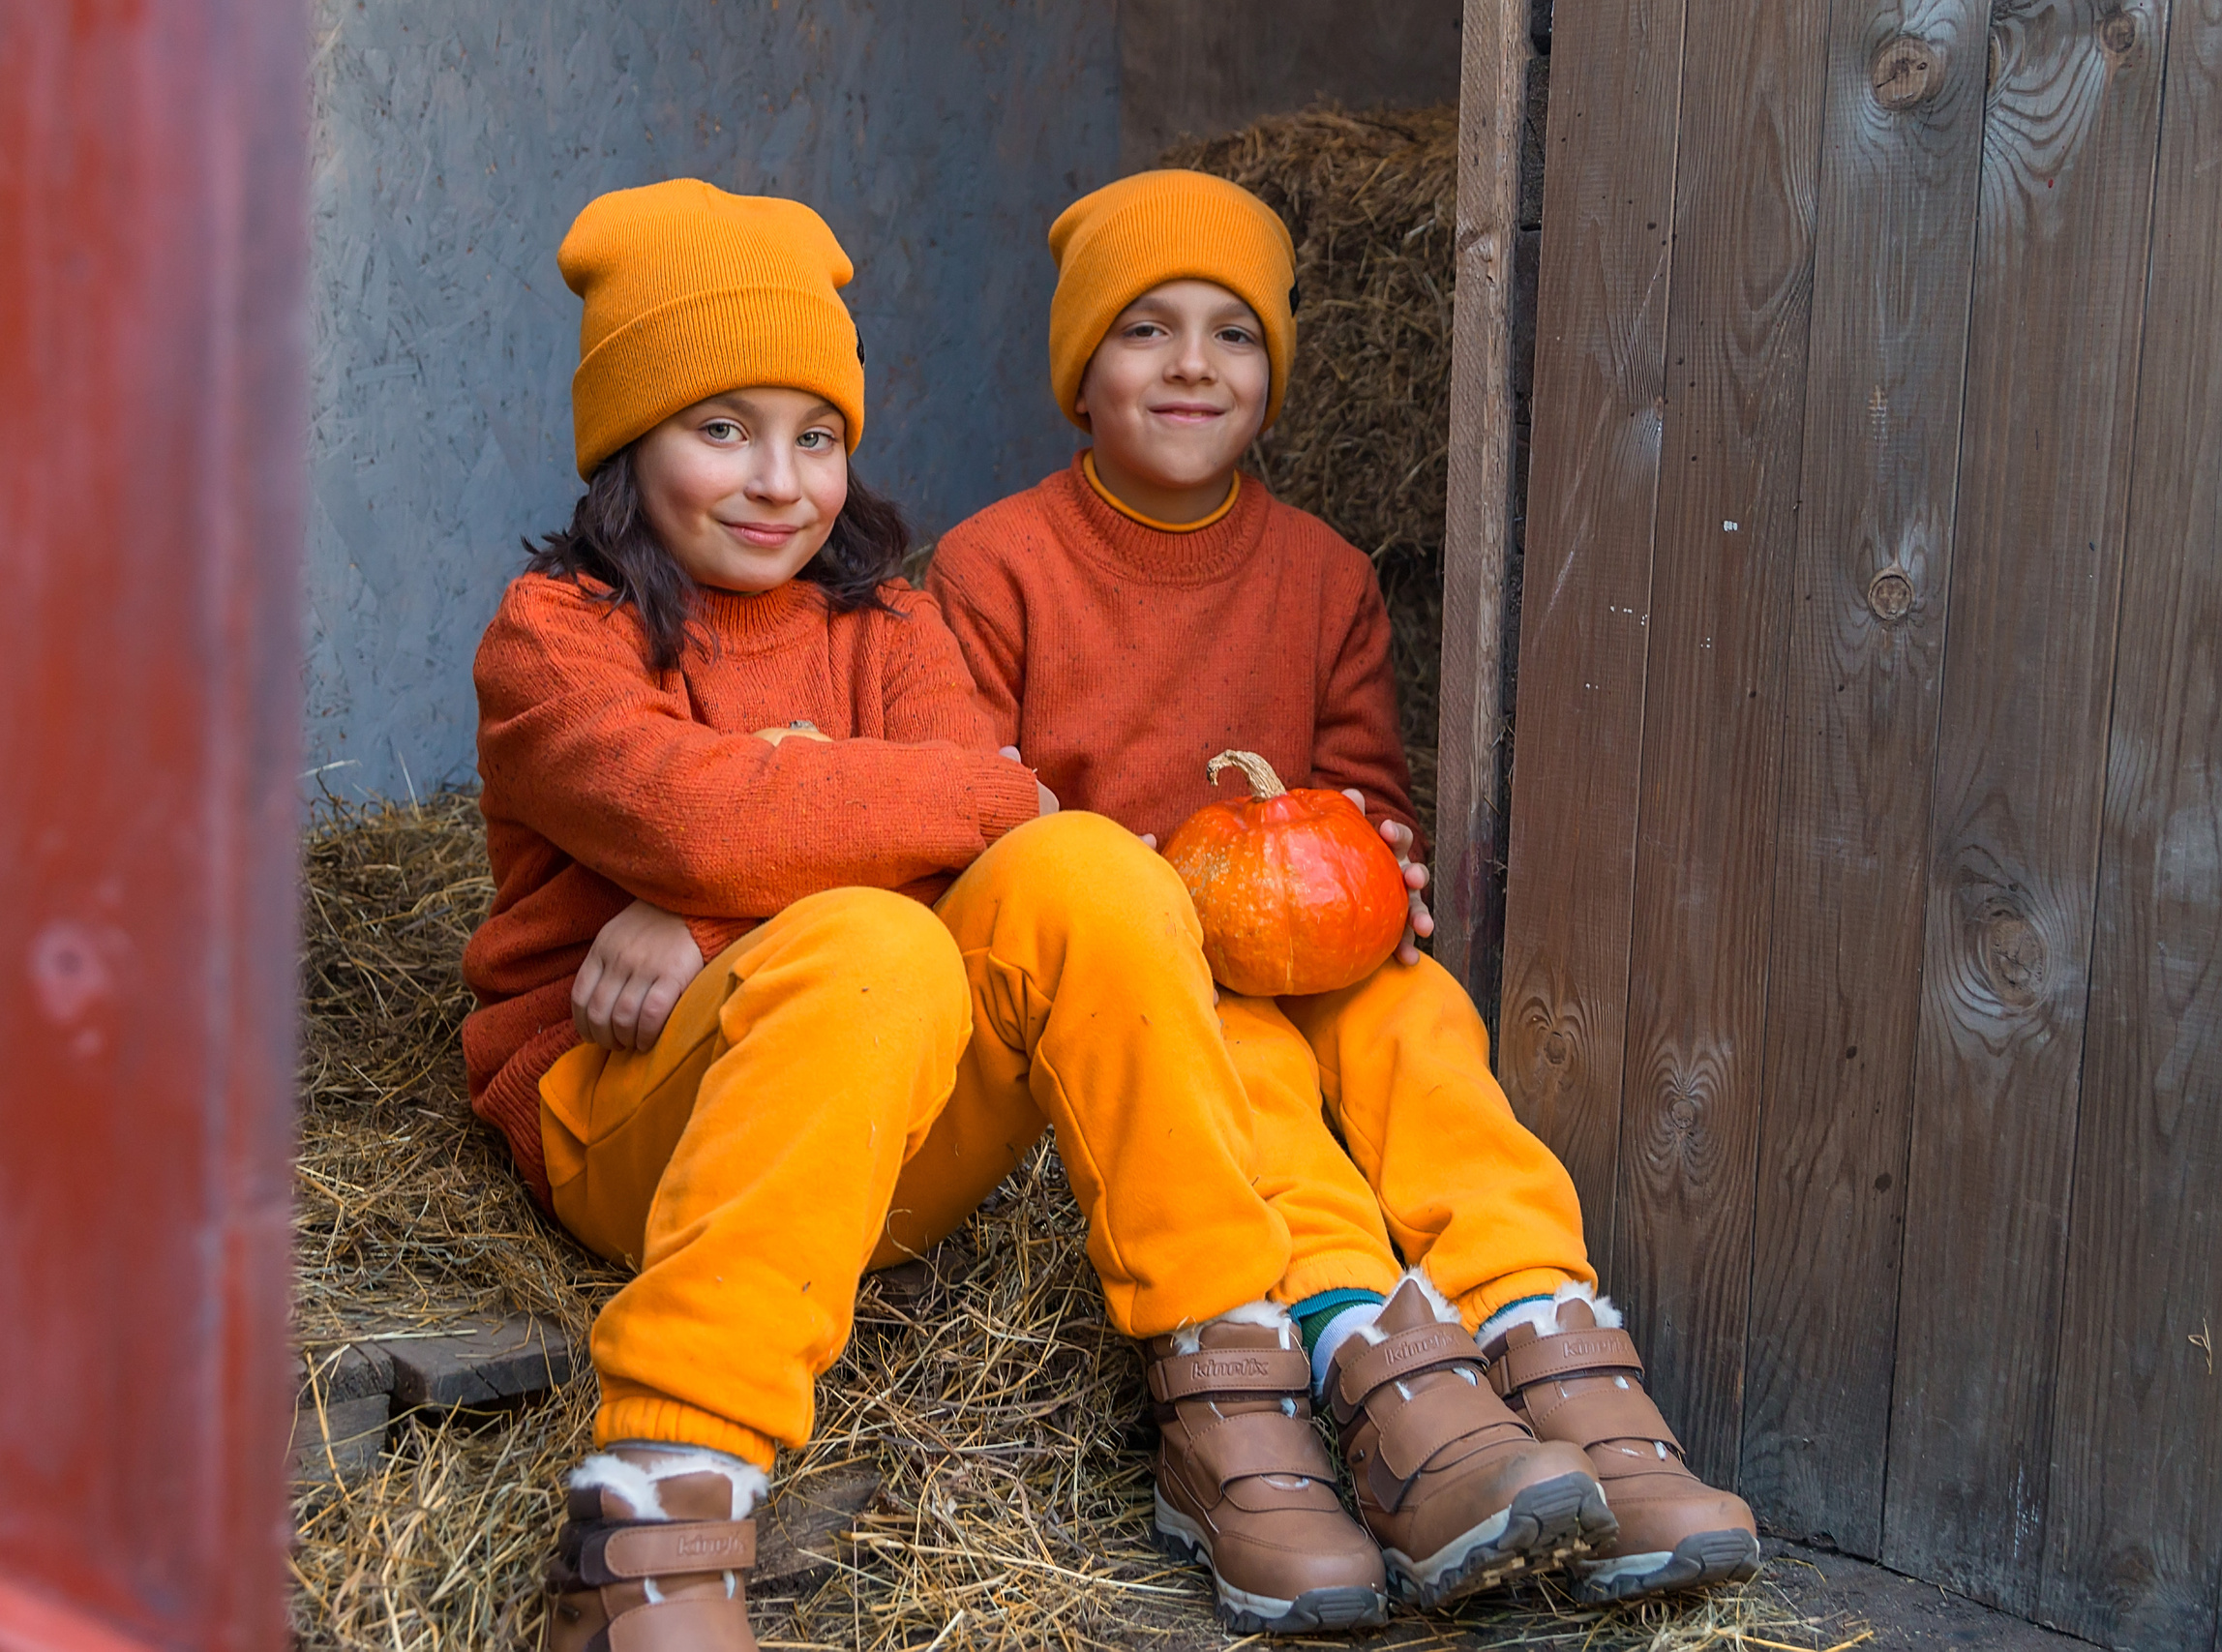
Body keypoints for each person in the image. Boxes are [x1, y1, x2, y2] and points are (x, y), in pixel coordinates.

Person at [463, 178, 1409, 1651]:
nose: (780, 481)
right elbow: (707, 815)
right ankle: (666, 1486)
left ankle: (1227, 1394)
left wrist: (712, 902)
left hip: (882, 1127)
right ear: (627, 440)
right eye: (723, 430)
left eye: (818, 436)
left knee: (1093, 869)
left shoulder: (889, 624)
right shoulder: (555, 640)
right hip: (627, 1113)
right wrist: (814, 829)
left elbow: (1006, 823)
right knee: (876, 933)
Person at [928, 168, 1761, 1609]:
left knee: (1423, 1029)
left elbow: (1359, 783)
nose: (1194, 364)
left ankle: (1559, 1360)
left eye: (1233, 333)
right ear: (1079, 370)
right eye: (1146, 329)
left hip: (1305, 945)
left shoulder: (1322, 577)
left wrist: (1382, 860)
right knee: (1254, 1083)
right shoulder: (994, 566)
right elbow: (963, 801)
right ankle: (1388, 1385)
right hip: (1143, 978)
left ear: (1277, 369)